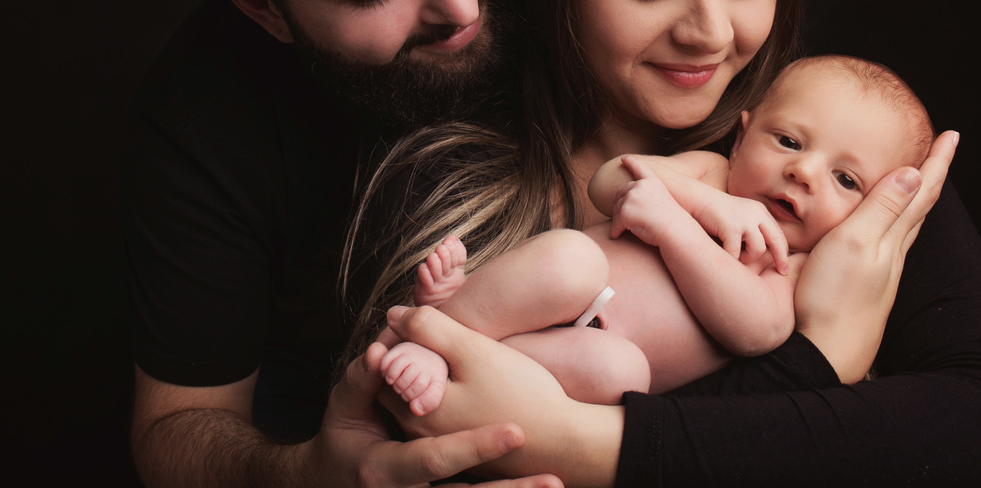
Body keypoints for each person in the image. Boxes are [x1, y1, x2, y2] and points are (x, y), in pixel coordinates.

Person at [345, 0, 977, 486]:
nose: (709, 30)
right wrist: (820, 367)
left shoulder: (857, 162)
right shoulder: (441, 170)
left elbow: (963, 426)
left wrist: (573, 441)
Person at [123, 0, 562, 488]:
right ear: (262, 6)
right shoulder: (203, 110)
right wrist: (305, 475)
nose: (460, 6)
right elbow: (176, 428)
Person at [379, 55, 935, 414]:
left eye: (845, 179)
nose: (804, 173)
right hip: (553, 291)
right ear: (742, 139)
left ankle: (468, 362)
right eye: (788, 141)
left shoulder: (799, 267)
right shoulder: (711, 175)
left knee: (624, 375)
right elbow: (607, 181)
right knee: (572, 258)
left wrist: (674, 228)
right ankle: (441, 327)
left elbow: (756, 331)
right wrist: (705, 205)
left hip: (586, 351)